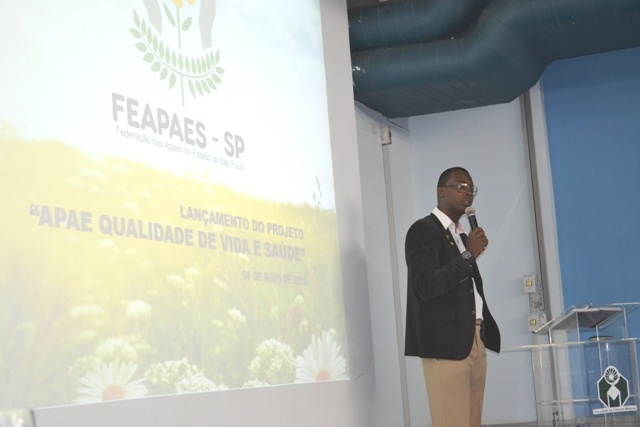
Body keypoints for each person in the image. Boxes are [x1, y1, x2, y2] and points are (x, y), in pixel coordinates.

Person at [404, 166, 500, 427]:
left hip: (474, 339)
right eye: (461, 186)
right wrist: (468, 255)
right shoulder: (423, 231)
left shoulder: (460, 235)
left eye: (471, 188)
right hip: (445, 344)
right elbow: (425, 286)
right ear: (441, 192)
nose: (468, 193)